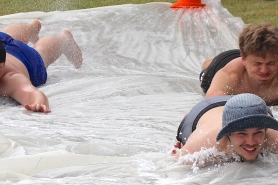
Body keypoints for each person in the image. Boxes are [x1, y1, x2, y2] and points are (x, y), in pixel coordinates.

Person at [172, 93, 278, 166]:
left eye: (258, 132)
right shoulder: (208, 143)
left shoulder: (273, 139)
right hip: (206, 109)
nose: (250, 142)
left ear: (266, 130)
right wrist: (182, 152)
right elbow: (173, 164)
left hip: (251, 105)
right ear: (228, 133)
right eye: (242, 133)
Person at [0, 19, 83, 113]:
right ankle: (30, 28)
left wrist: (38, 103)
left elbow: (30, 92)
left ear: (3, 65)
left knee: (42, 51)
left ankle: (64, 40)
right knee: (6, 34)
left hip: (27, 59)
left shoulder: (10, 79)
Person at [199, 22, 278, 106]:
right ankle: (208, 63)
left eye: (271, 63)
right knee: (208, 69)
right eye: (258, 64)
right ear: (243, 59)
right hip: (224, 61)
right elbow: (211, 103)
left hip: (248, 57)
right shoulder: (231, 76)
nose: (264, 70)